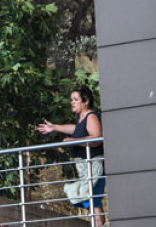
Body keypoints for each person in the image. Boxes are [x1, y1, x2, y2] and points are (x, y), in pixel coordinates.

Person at [37, 86, 105, 227]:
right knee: (89, 200)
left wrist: (74, 141)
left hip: (93, 164)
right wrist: (55, 127)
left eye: (75, 100)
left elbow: (97, 138)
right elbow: (76, 129)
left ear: (85, 101)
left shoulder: (91, 116)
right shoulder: (81, 119)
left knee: (93, 201)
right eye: (71, 100)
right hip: (85, 166)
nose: (72, 102)